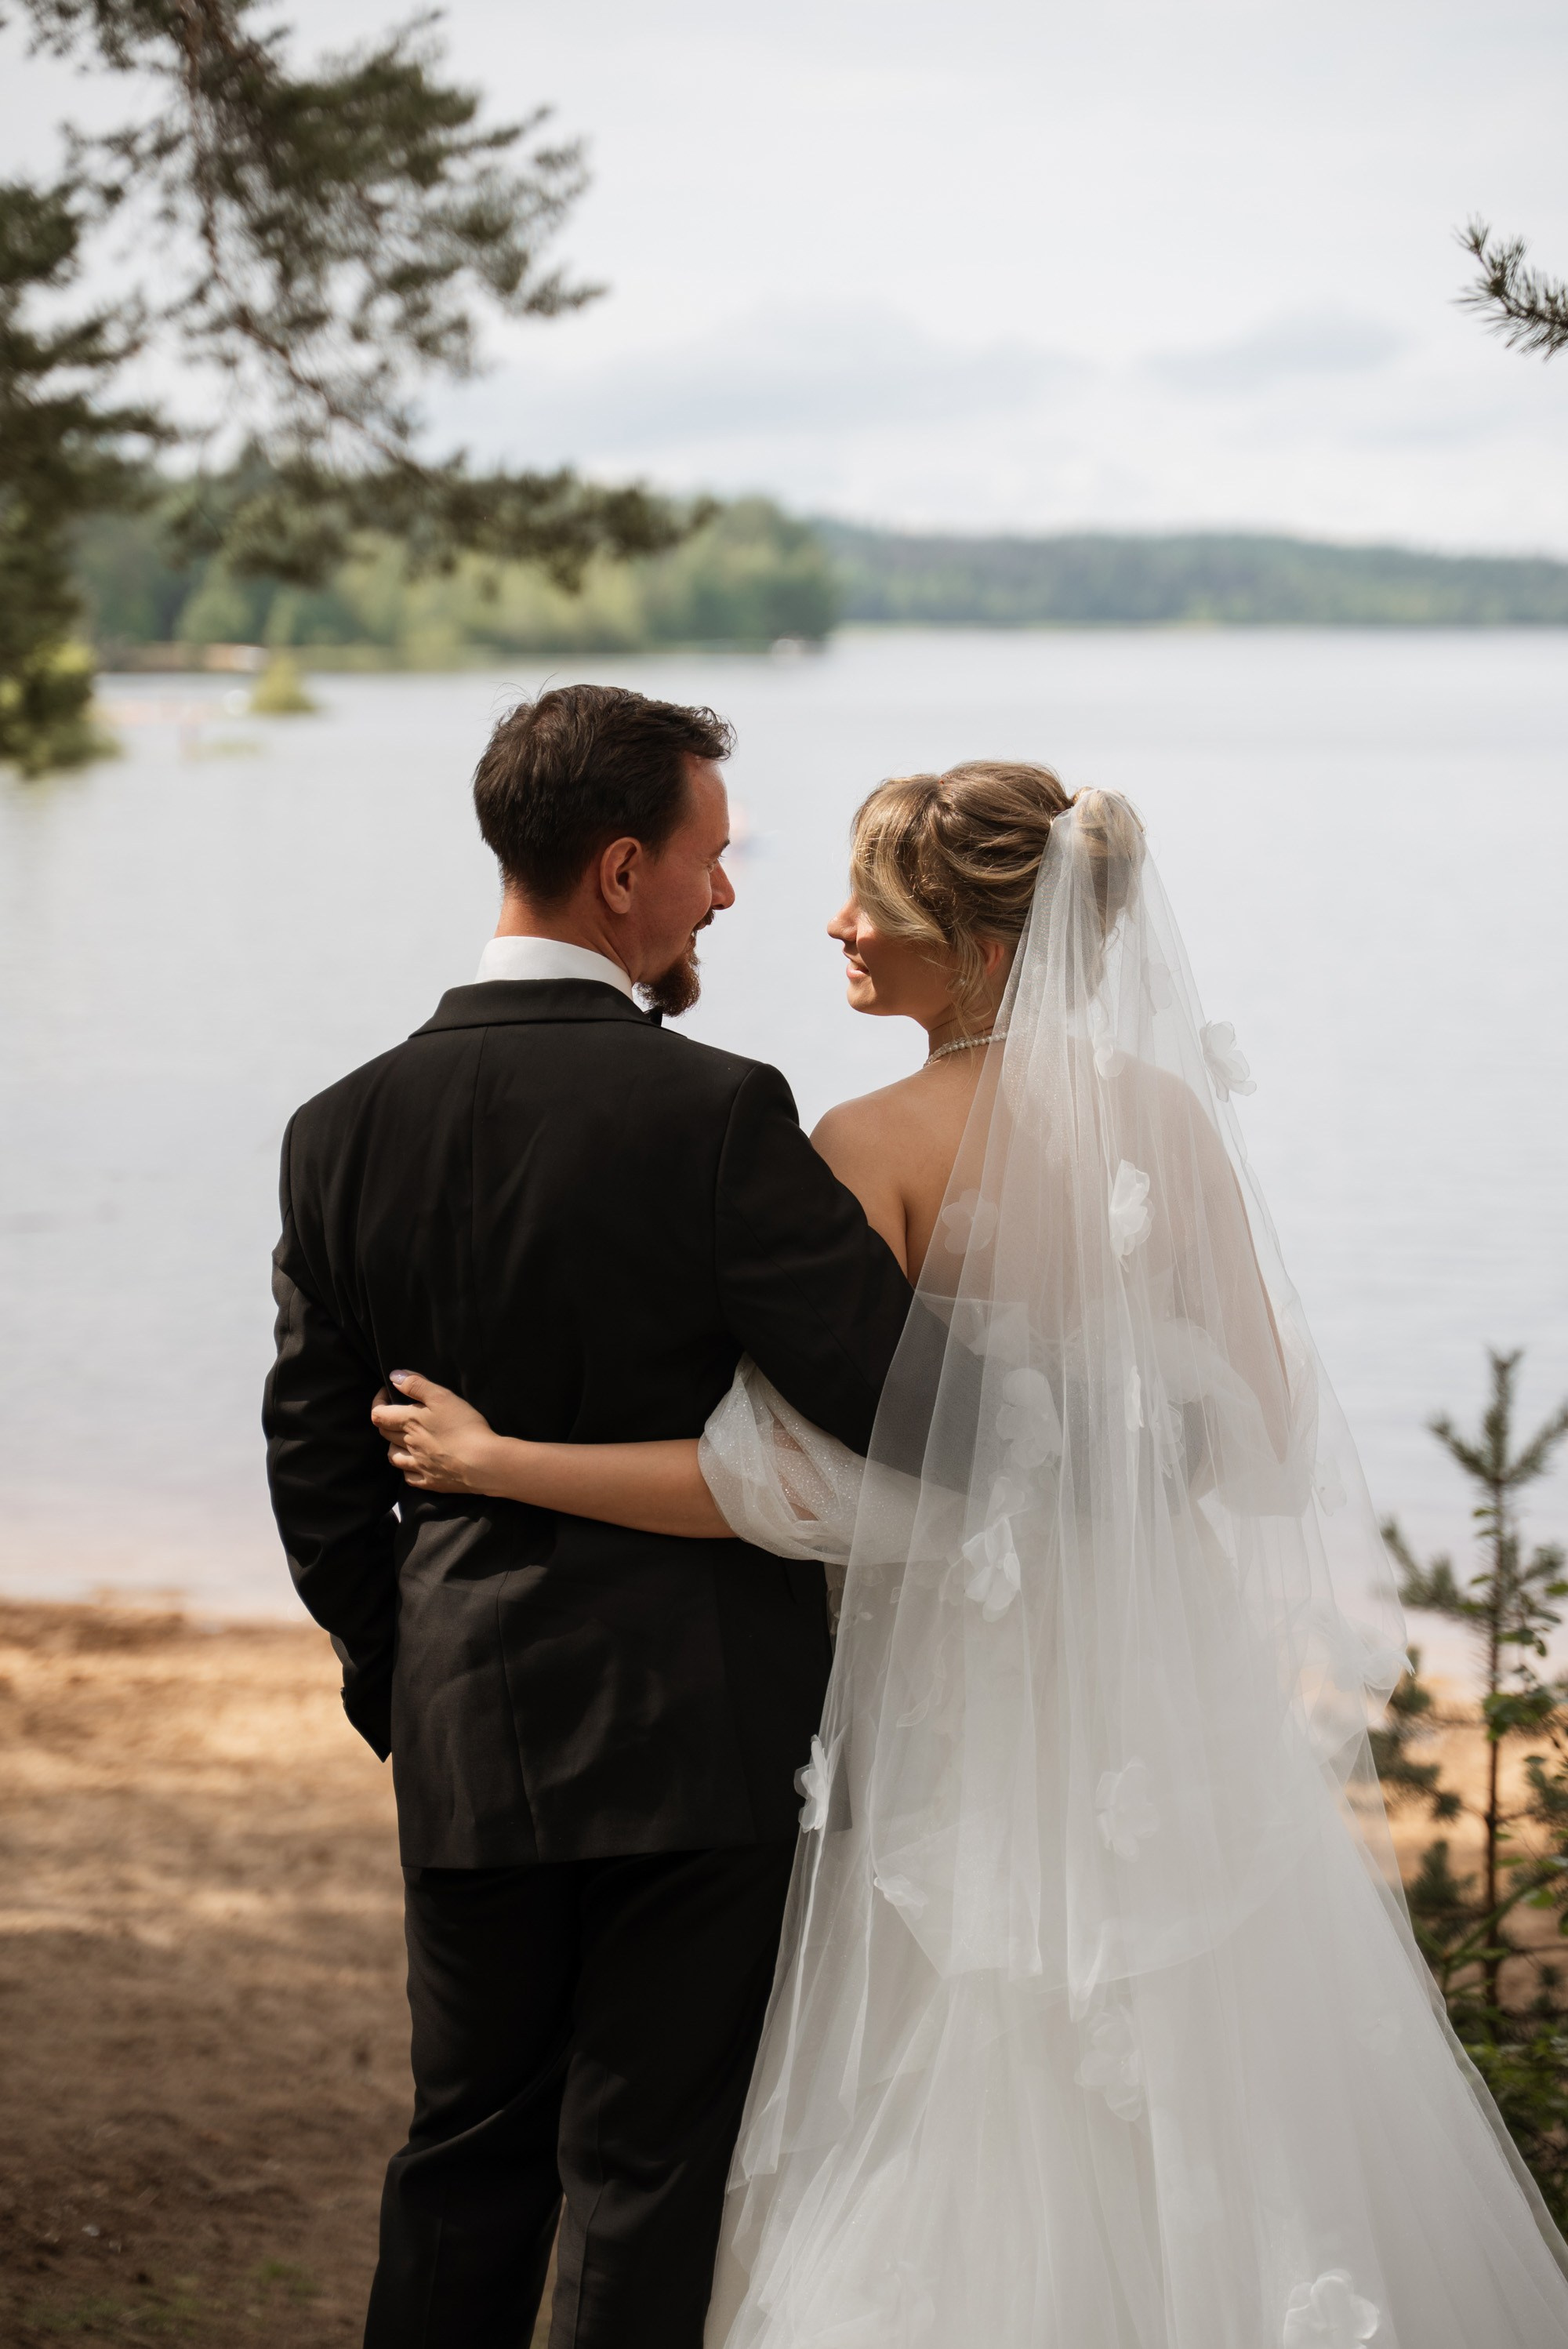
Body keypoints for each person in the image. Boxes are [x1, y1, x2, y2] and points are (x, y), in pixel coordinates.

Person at [379, 763, 1568, 2348]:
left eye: (875, 904)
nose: (838, 925)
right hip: (1164, 1678)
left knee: (959, 2043)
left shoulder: (867, 1141)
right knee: (1211, 2048)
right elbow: (1260, 1424)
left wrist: (501, 1461)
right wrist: (1097, 1465)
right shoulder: (1164, 1119)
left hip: (963, 1688)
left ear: (987, 951)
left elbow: (801, 1487)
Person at [262, 684, 913, 2349]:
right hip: (701, 1734)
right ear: (622, 869)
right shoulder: (714, 1113)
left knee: (465, 2151)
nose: (726, 891)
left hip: (469, 1717)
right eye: (707, 856)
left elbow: (320, 1463)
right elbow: (906, 1400)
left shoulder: (337, 1128)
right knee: (644, 2174)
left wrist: (404, 1678)